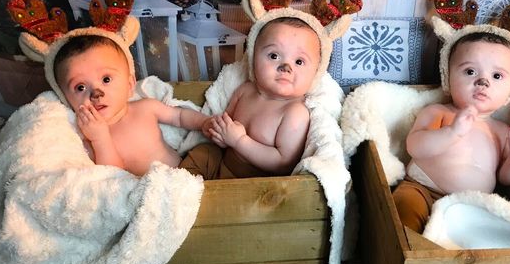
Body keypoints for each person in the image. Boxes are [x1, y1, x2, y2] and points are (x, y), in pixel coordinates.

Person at [393, 32, 510, 233]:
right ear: (448, 77)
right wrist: (452, 132)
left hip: (472, 207)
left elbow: (506, 180)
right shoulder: (439, 113)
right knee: (403, 216)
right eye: (470, 71)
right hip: (422, 190)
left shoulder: (502, 131)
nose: (483, 82)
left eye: (497, 76)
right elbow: (415, 147)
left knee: (489, 237)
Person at [180, 17, 321, 179]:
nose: (286, 67)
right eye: (274, 56)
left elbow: (283, 163)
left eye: (299, 61)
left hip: (252, 187)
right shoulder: (245, 90)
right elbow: (227, 122)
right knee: (202, 153)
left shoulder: (295, 112)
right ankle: (178, 187)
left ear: (315, 72)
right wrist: (222, 135)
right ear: (253, 58)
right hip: (222, 163)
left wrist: (239, 141)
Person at [53, 34, 214, 177]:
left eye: (106, 79)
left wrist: (204, 122)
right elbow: (113, 175)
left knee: (211, 153)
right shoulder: (89, 139)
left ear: (130, 85)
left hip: (187, 169)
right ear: (67, 100)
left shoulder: (145, 107)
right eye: (80, 87)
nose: (96, 94)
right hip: (154, 190)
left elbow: (179, 116)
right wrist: (100, 139)